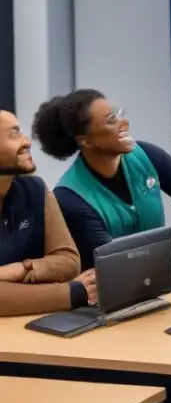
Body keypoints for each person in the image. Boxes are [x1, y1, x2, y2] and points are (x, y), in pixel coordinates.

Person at [32, 90, 171, 269]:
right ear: (87, 142)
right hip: (106, 302)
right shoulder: (70, 196)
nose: (124, 123)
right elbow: (115, 262)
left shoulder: (146, 156)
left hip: (153, 290)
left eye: (118, 113)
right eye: (111, 121)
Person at [0, 109, 96, 316]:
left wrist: (18, 270)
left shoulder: (35, 189)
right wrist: (71, 292)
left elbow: (69, 261)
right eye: (14, 134)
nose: (27, 142)